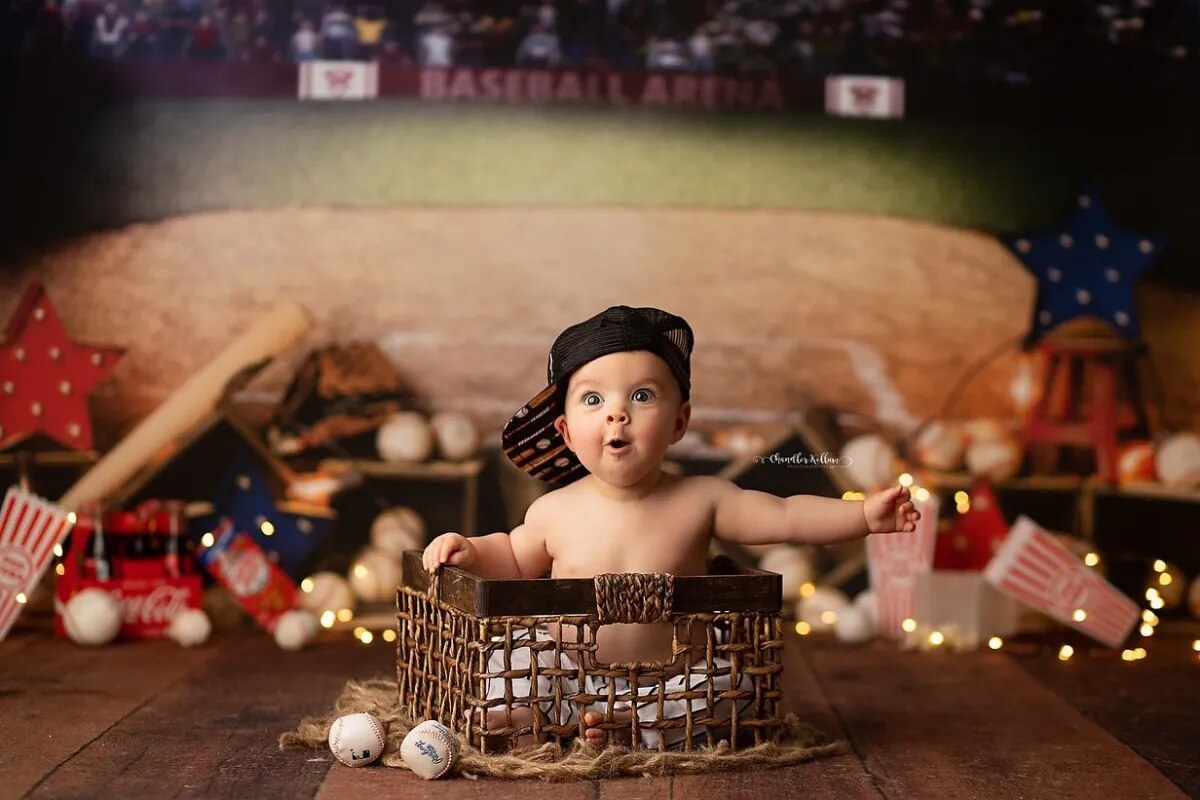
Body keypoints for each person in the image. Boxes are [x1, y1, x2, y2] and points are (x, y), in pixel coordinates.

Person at [423, 305, 919, 749]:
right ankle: (536, 715)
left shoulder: (701, 499)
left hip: (672, 678)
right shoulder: (555, 510)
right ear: (567, 432)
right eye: (593, 400)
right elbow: (510, 557)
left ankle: (629, 726)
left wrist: (862, 516)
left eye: (641, 395)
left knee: (733, 690)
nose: (617, 412)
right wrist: (467, 550)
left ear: (679, 422)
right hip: (570, 672)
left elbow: (785, 515)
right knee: (511, 664)